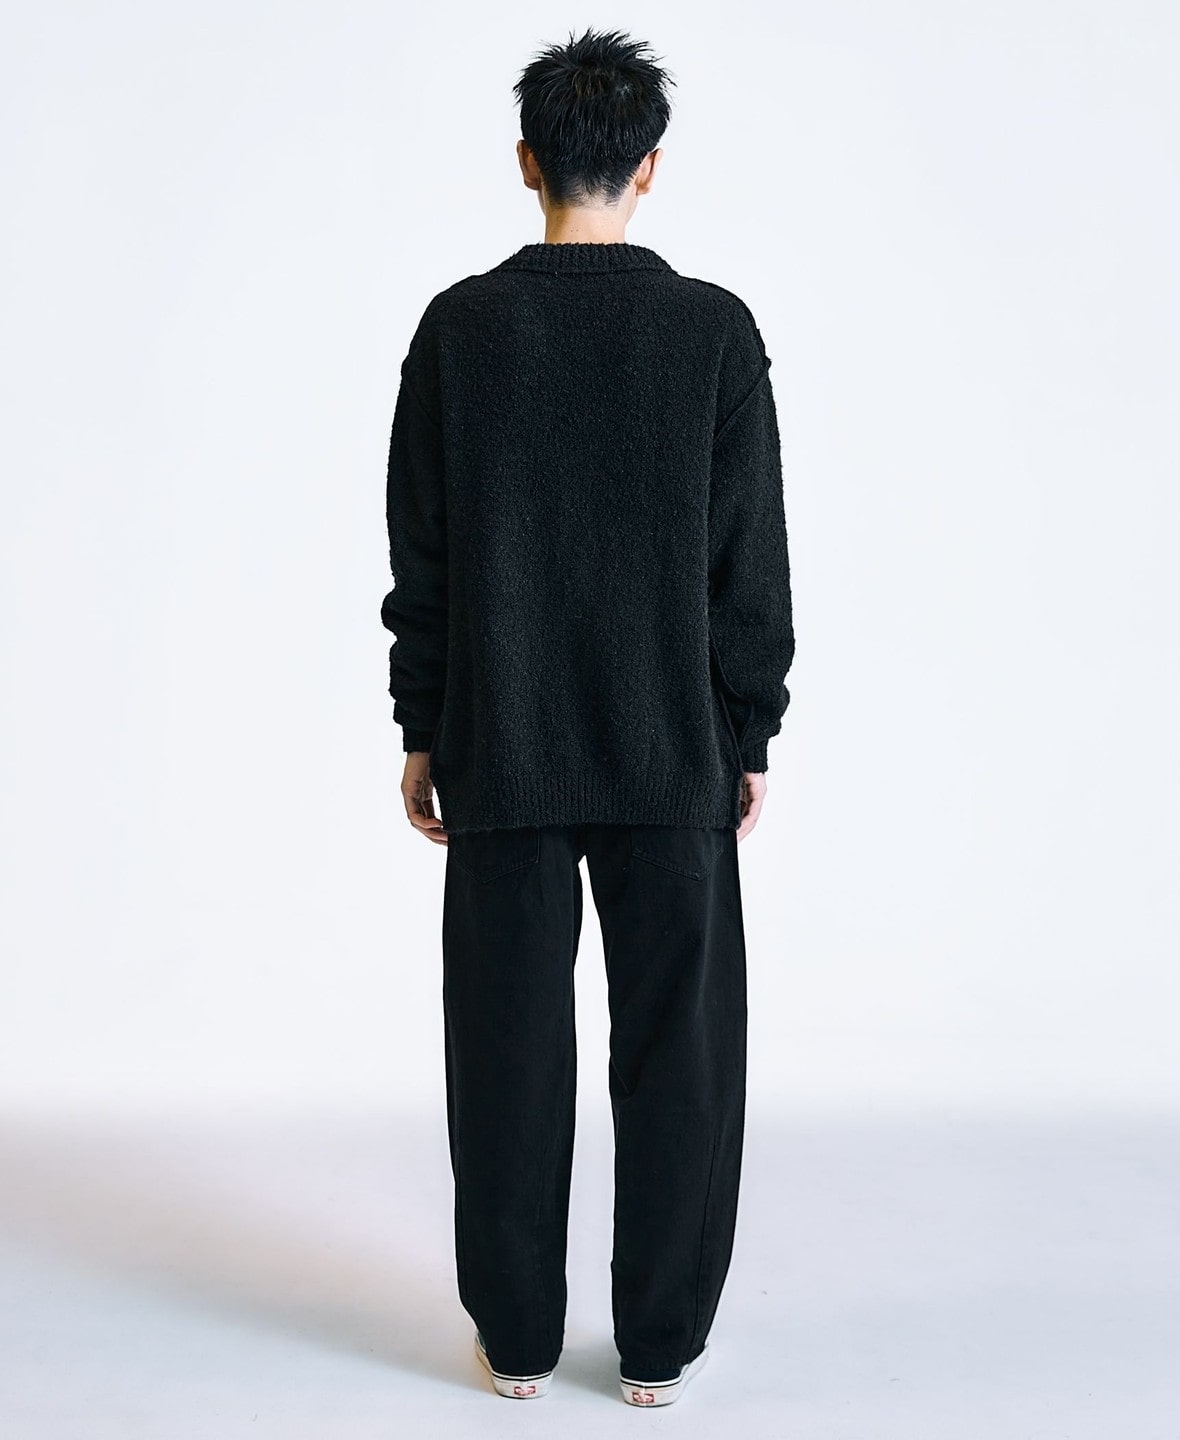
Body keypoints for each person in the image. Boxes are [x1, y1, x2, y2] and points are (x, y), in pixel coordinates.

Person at [380, 25, 795, 1407]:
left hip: (502, 743)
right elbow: (748, 563)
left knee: (507, 1048)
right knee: (681, 1053)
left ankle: (515, 1341)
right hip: (674, 748)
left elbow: (424, 557)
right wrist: (747, 733)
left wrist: (423, 725)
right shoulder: (713, 333)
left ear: (527, 161)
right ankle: (659, 1348)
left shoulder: (460, 331)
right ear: (650, 167)